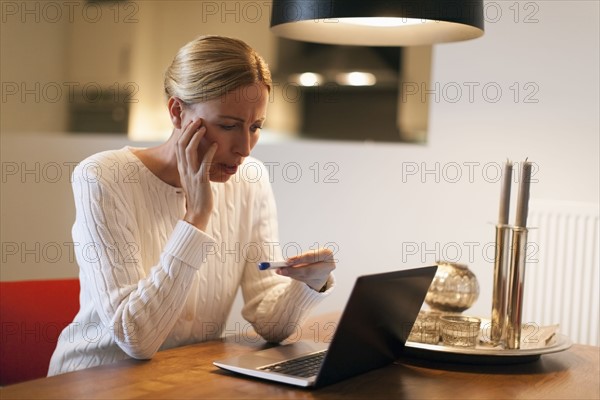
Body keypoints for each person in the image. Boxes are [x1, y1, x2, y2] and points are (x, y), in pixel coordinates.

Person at [48, 35, 336, 376]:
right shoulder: (103, 177)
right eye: (228, 125)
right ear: (177, 111)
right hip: (93, 381)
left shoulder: (250, 179)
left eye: (255, 127)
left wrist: (309, 283)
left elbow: (269, 323)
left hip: (182, 378)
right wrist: (196, 218)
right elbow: (135, 338)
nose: (245, 147)